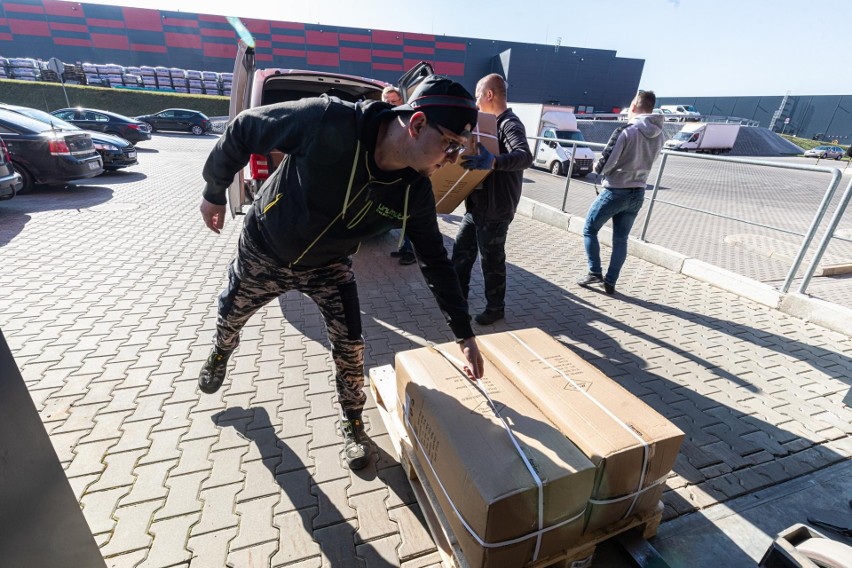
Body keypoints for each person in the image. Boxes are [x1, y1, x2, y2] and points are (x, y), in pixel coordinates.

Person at [198, 75, 485, 471]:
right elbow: (246, 127)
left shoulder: (413, 191)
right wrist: (215, 192)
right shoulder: (328, 121)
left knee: (352, 349)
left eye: (461, 147)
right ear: (417, 124)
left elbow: (435, 259)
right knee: (231, 314)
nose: (453, 158)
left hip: (329, 267)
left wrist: (463, 334)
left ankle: (353, 424)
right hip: (268, 246)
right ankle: (220, 351)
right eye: (450, 143)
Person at [452, 73, 532, 325]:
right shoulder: (486, 124)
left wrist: (495, 161)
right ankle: (458, 298)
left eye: (477, 96)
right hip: (477, 206)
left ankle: (495, 308)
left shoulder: (509, 123)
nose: (476, 102)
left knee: (492, 260)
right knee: (461, 253)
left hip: (496, 209)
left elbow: (524, 156)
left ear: (489, 94)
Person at [577, 90, 664, 295]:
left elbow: (607, 161)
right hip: (638, 192)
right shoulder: (659, 134)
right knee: (621, 239)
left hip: (616, 190)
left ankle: (594, 272)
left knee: (590, 229)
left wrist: (597, 169)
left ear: (634, 106)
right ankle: (611, 281)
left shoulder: (626, 130)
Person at [382, 85, 416, 266]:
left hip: (407, 178)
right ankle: (404, 247)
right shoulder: (383, 120)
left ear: (401, 101)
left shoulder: (408, 121)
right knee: (399, 215)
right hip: (392, 178)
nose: (390, 105)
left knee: (408, 215)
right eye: (386, 102)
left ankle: (410, 251)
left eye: (393, 101)